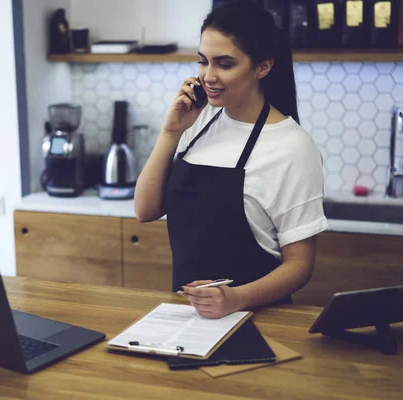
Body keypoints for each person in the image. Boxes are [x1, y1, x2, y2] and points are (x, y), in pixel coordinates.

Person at [134, 1, 328, 319]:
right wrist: (170, 132)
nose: (208, 76)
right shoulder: (195, 124)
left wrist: (236, 298)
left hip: (260, 318)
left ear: (262, 67)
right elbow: (145, 210)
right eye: (202, 61)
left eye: (224, 64)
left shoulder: (292, 147)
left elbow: (300, 266)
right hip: (190, 317)